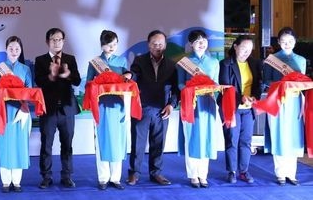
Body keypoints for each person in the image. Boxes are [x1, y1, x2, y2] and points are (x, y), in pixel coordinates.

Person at [127, 30, 178, 187]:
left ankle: (156, 173)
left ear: (165, 45)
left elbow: (176, 88)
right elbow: (134, 76)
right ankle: (134, 174)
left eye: (161, 44)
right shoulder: (139, 61)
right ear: (148, 45)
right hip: (142, 108)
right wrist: (129, 76)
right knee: (138, 143)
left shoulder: (171, 64)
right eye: (154, 44)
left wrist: (171, 104)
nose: (158, 47)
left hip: (162, 109)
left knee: (158, 142)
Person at [34, 27, 81, 189]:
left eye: (59, 39)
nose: (56, 42)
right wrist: (51, 75)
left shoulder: (70, 58)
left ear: (63, 41)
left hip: (67, 108)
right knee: (46, 144)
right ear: (47, 41)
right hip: (48, 109)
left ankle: (67, 176)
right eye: (53, 39)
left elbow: (77, 81)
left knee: (67, 143)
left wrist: (67, 75)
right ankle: (46, 176)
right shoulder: (40, 60)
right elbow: (39, 82)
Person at [85, 30, 132, 190]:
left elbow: (127, 82)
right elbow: (89, 84)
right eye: (108, 44)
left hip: (118, 105)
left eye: (114, 44)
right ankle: (103, 178)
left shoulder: (122, 60)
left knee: (118, 141)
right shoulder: (95, 62)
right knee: (102, 141)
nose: (111, 47)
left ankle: (116, 178)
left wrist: (128, 77)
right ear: (101, 45)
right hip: (101, 106)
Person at [262, 27, 307, 186]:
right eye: (283, 41)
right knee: (279, 134)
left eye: (290, 41)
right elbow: (266, 81)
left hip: (295, 101)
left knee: (293, 135)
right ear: (279, 42)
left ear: (295, 42)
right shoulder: (271, 59)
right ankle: (280, 173)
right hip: (277, 100)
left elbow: (303, 81)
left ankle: (291, 173)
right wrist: (282, 84)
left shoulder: (301, 60)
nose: (287, 44)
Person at [176, 29, 220, 188]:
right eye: (198, 41)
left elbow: (216, 82)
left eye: (204, 41)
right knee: (192, 137)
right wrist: (192, 88)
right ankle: (193, 175)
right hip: (191, 103)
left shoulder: (214, 62)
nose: (202, 44)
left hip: (208, 104)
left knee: (206, 137)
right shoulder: (184, 62)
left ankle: (203, 175)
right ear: (191, 44)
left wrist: (214, 88)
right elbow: (180, 84)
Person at [0, 36, 33, 192]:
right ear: (6, 50)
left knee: (19, 144)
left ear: (20, 50)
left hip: (21, 110)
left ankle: (17, 182)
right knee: (5, 144)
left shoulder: (26, 69)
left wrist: (23, 101)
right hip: (4, 111)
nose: (14, 52)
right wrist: (3, 91)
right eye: (11, 49)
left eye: (17, 49)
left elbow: (30, 89)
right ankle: (5, 182)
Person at [218, 35, 262, 184]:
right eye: (243, 48)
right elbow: (226, 86)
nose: (246, 52)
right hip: (232, 107)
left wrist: (255, 97)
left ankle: (244, 171)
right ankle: (231, 171)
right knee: (232, 139)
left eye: (249, 50)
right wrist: (242, 97)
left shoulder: (255, 63)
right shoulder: (225, 64)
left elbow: (258, 84)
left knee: (246, 140)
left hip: (248, 108)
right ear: (235, 47)